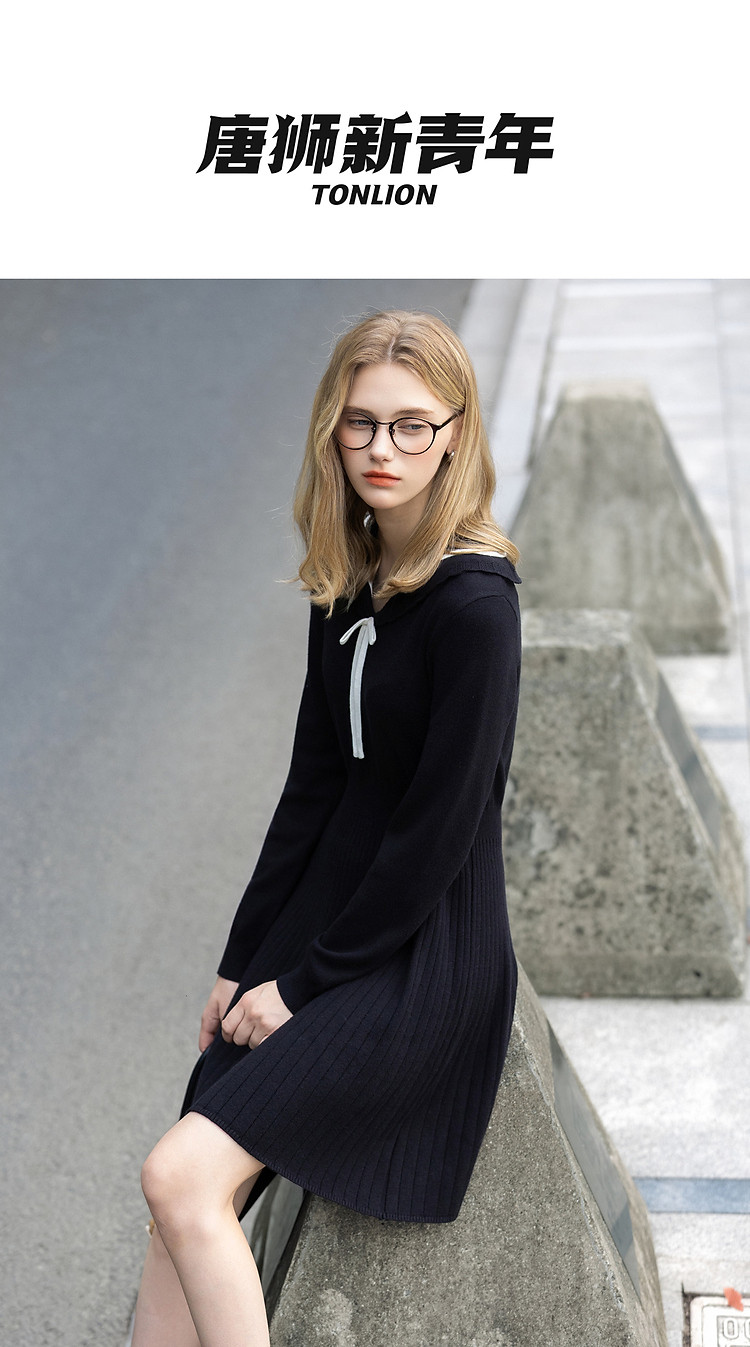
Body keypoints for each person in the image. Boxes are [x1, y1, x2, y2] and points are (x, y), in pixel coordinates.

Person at [131, 309, 522, 1347]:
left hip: (419, 960)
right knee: (178, 1201)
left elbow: (438, 834)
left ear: (455, 435)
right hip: (326, 932)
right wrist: (239, 961)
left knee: (180, 1177)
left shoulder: (475, 606)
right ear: (331, 433)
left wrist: (303, 985)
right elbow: (312, 791)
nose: (383, 448)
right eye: (361, 424)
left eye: (411, 425)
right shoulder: (349, 582)